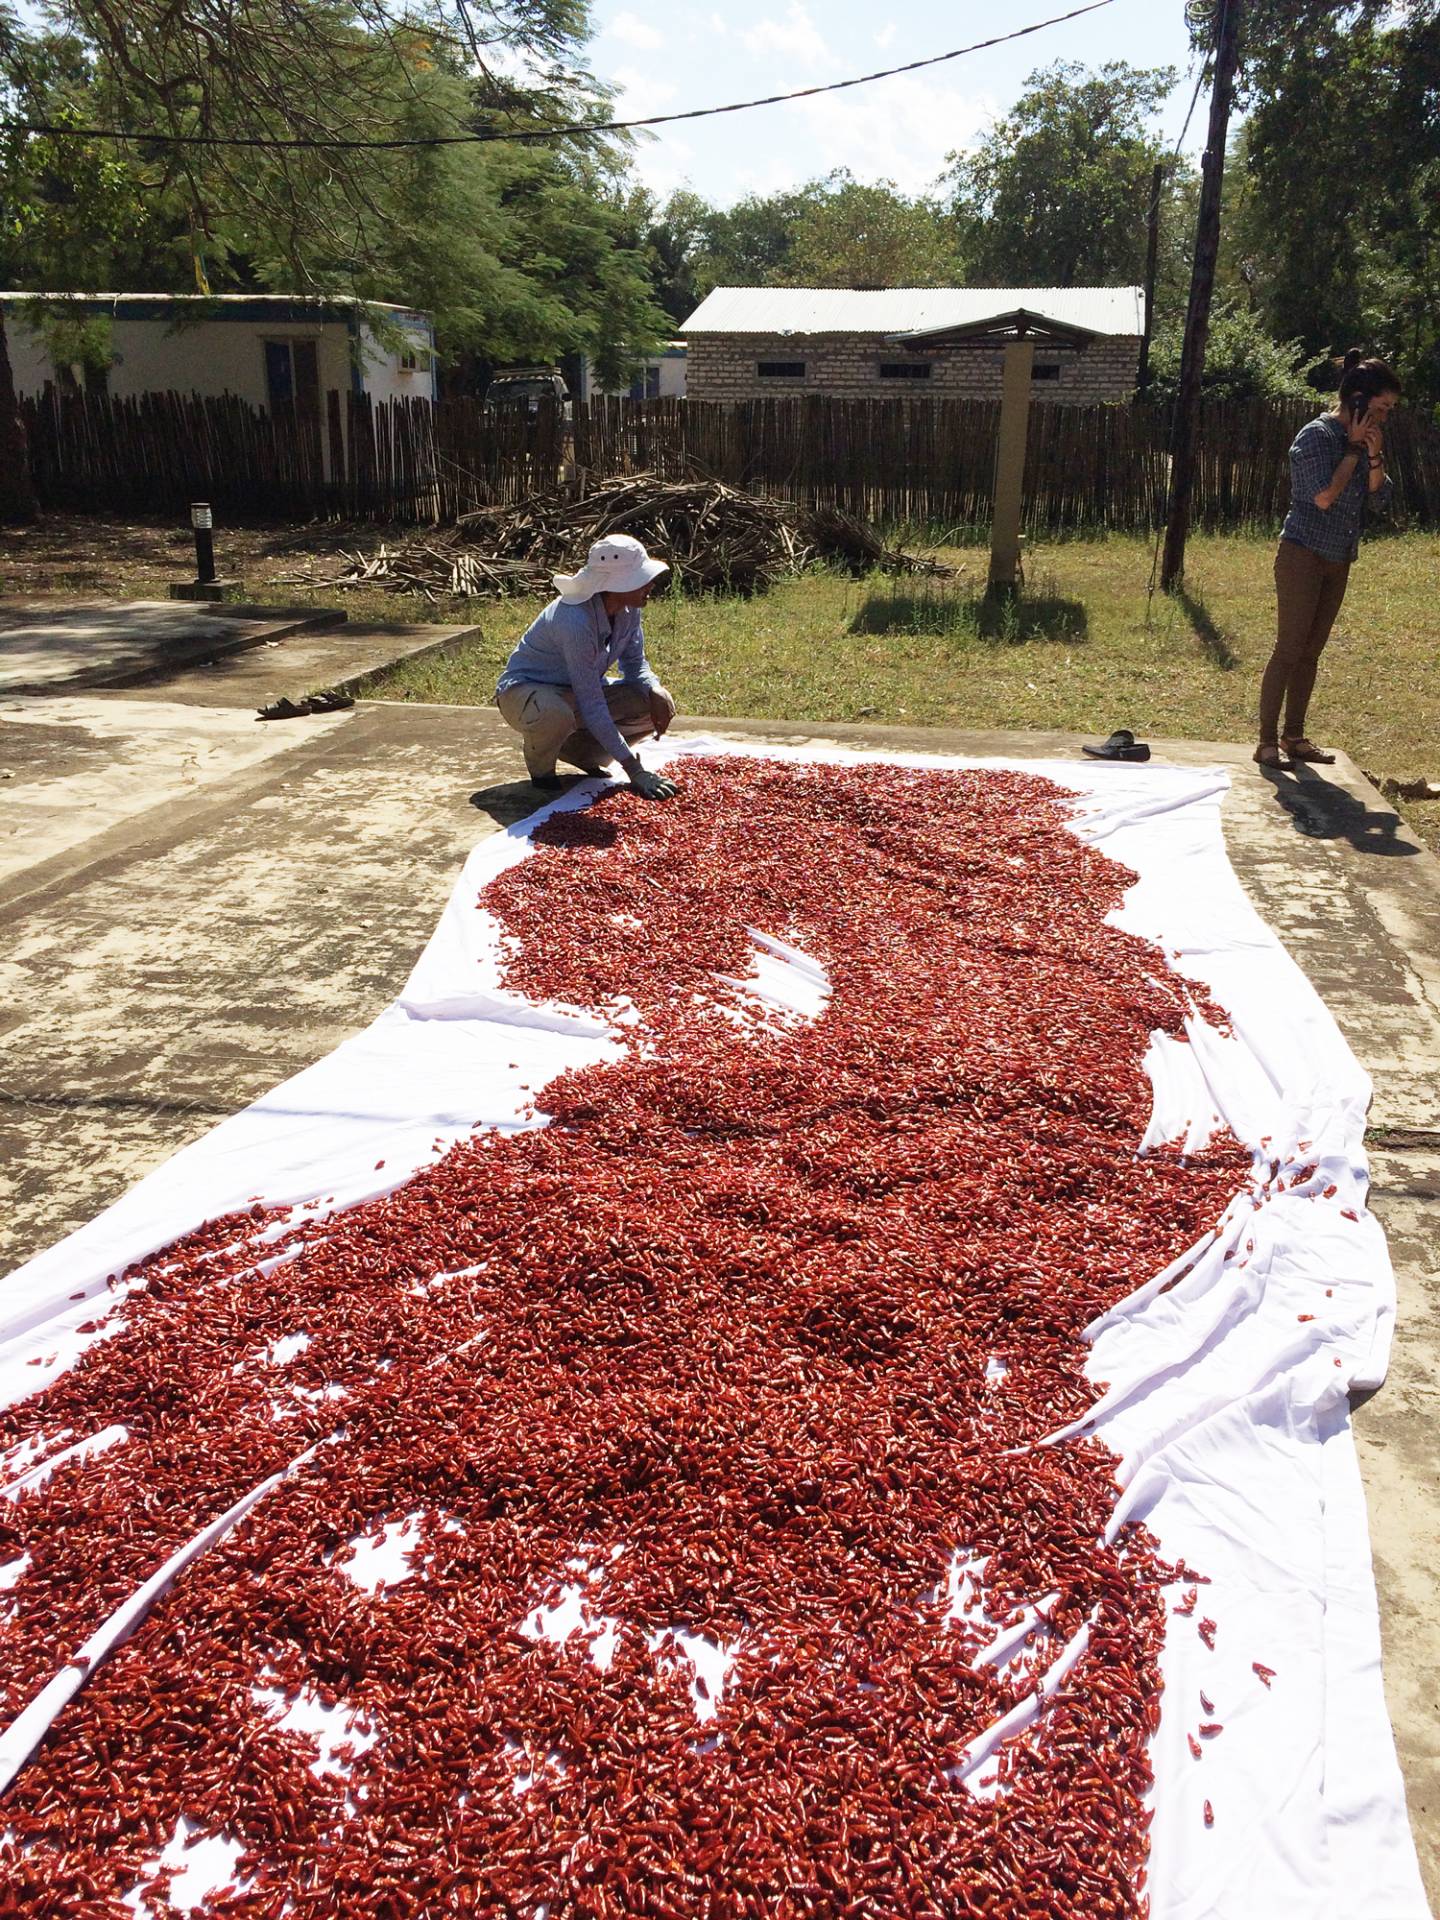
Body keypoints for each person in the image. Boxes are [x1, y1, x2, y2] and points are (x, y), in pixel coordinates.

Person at [1255, 350, 1399, 770]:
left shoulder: (1368, 441)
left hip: (1339, 559)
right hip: (1302, 554)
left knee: (1311, 652)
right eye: (1380, 408)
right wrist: (1353, 450)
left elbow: (1380, 497)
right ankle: (1265, 741)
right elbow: (1322, 497)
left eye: (1389, 410)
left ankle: (1294, 736)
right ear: (1356, 400)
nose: (1385, 417)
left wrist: (1373, 456)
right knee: (1289, 648)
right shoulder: (1316, 436)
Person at [495, 533, 680, 801]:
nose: (650, 584)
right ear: (614, 584)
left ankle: (578, 752)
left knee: (646, 701)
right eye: (641, 579)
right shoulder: (575, 620)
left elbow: (635, 665)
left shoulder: (628, 611)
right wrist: (634, 769)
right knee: (555, 713)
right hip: (527, 694)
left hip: (575, 692)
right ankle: (541, 768)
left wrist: (653, 687)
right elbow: (591, 703)